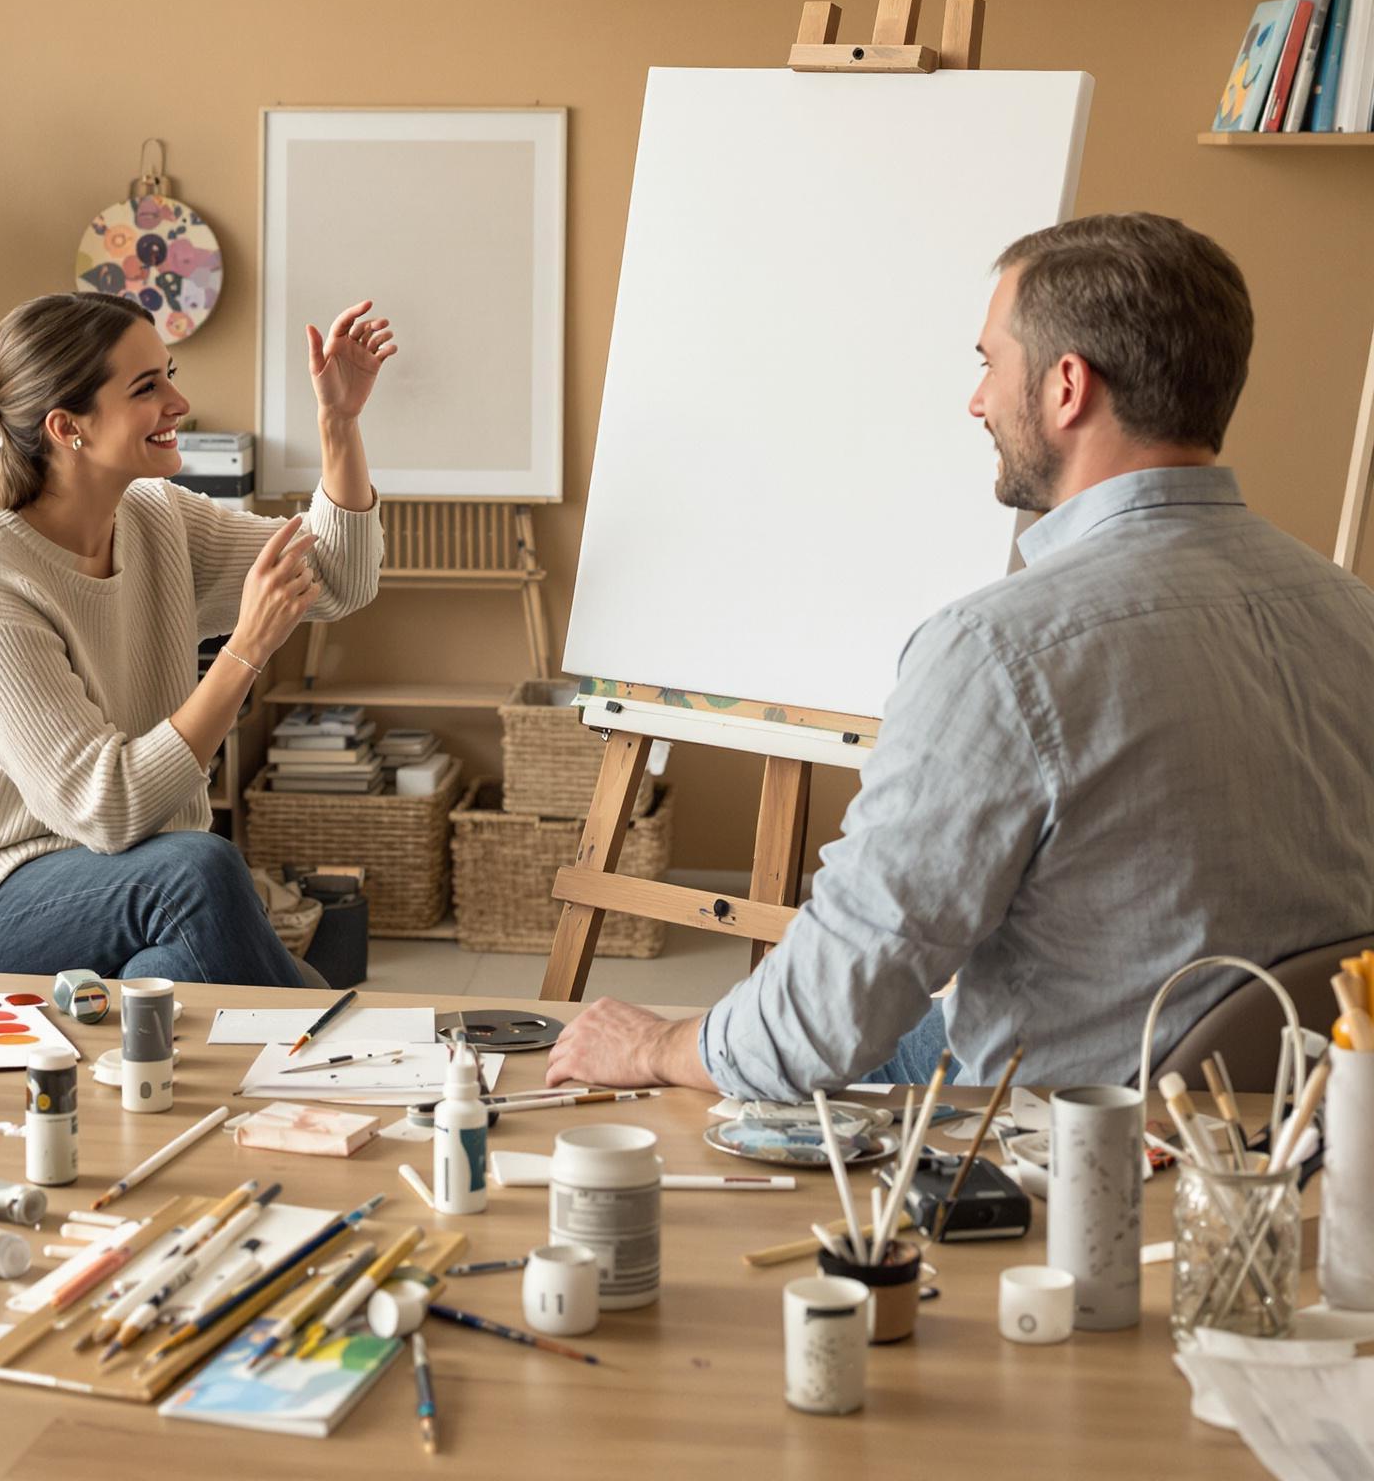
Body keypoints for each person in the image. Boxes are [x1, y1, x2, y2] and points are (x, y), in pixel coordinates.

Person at [545, 212, 1374, 1098]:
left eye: (988, 363)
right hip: (1305, 1117)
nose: (976, 400)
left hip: (1068, 1137)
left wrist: (659, 1046)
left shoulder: (1001, 654)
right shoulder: (1349, 608)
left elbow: (827, 1016)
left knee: (695, 1075)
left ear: (1066, 388)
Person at [0, 291, 395, 983]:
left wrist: (339, 425)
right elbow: (106, 807)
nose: (179, 402)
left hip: (110, 882)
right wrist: (245, 652)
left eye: (169, 374)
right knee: (197, 872)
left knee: (177, 975)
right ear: (66, 426)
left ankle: (320, 1043)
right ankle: (335, 1039)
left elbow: (338, 577)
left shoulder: (153, 516)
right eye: (148, 387)